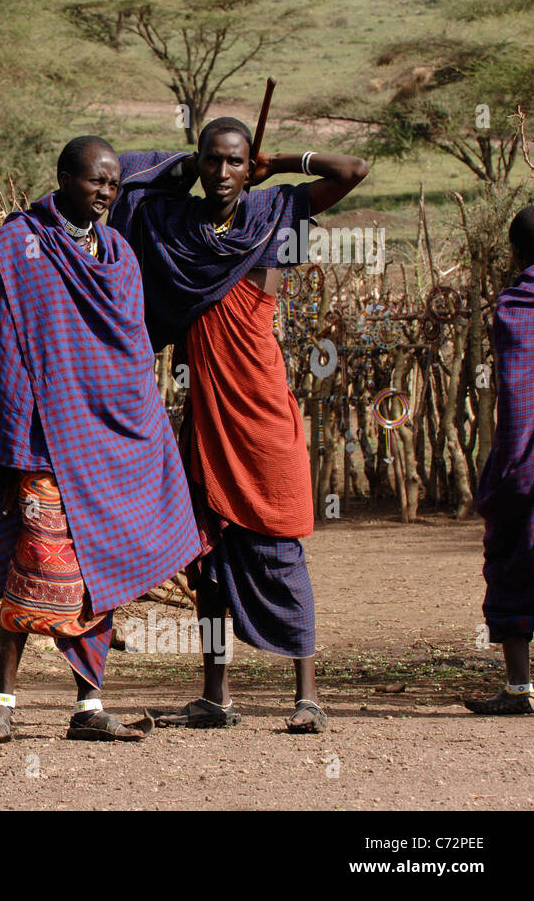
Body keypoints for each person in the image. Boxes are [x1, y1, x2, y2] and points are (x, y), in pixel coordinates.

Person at [0, 135, 200, 744]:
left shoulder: (120, 255)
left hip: (107, 444)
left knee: (100, 574)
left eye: (113, 184)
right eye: (94, 181)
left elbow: (128, 353)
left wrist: (142, 431)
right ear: (62, 177)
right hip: (45, 440)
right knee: (34, 567)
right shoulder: (17, 247)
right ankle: (1, 703)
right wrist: (14, 430)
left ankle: (88, 707)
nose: (104, 193)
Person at [109, 118, 367, 733]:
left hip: (263, 414)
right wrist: (181, 161)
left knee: (279, 550)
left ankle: (307, 697)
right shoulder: (174, 226)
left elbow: (352, 170)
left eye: (234, 162)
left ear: (249, 164)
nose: (222, 174)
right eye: (211, 161)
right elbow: (124, 183)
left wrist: (279, 161)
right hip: (206, 419)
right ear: (198, 163)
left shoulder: (277, 216)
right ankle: (214, 697)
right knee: (211, 561)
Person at [466, 206, 534, 715]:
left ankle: (518, 689)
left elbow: (516, 394)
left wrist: (509, 469)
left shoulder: (516, 306)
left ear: (513, 254)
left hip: (525, 461)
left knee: (514, 559)